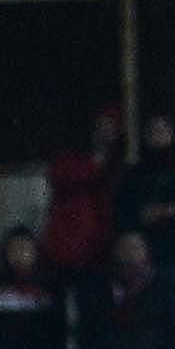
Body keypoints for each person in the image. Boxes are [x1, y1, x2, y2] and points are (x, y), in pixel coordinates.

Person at [114, 112, 175, 311]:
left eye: (162, 130)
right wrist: (142, 217)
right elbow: (122, 215)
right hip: (144, 261)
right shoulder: (135, 176)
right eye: (152, 132)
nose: (157, 136)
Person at [39, 107, 125, 335]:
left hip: (102, 256)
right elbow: (62, 176)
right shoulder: (72, 161)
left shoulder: (121, 167)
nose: (105, 134)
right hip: (68, 255)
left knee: (97, 319)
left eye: (111, 129)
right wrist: (95, 165)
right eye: (101, 127)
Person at [83, 231, 175, 349]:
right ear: (116, 252)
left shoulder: (164, 288)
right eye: (124, 248)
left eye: (135, 248)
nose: (129, 253)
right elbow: (90, 326)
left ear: (146, 251)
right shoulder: (101, 286)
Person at [0, 227, 67, 349]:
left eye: (24, 248)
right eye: (13, 249)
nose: (19, 254)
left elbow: (59, 329)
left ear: (35, 251)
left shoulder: (52, 287)